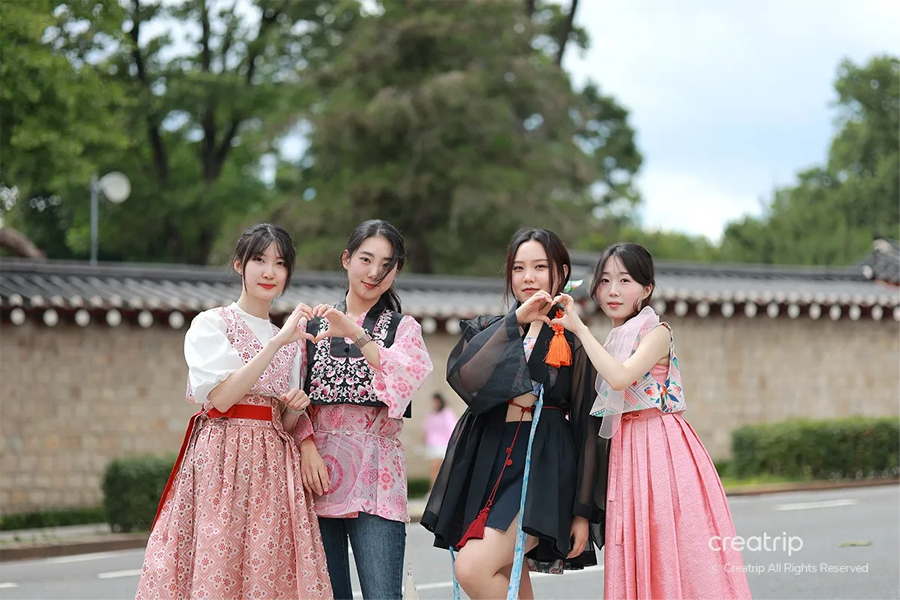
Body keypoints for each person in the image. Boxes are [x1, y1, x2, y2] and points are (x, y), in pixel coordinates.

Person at [135, 223, 331, 600]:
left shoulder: (292, 343)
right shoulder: (212, 324)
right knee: (218, 560)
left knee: (267, 568)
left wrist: (292, 409)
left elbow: (283, 423)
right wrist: (276, 342)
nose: (270, 272)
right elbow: (223, 398)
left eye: (280, 263)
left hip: (273, 467)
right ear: (239, 264)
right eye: (259, 260)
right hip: (221, 460)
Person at [550, 242, 753, 600]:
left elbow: (619, 377)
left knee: (670, 545)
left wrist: (580, 329)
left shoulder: (657, 332)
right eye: (605, 280)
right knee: (637, 542)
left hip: (660, 446)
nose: (613, 290)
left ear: (646, 289)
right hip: (627, 448)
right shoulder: (614, 339)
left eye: (625, 280)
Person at [421, 227, 608, 600]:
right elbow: (464, 376)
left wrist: (582, 514)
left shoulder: (572, 338)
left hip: (542, 465)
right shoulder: (491, 329)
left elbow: (589, 427)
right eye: (519, 268)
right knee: (508, 575)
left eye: (540, 266)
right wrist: (517, 321)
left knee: (472, 568)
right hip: (490, 459)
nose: (528, 277)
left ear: (562, 272)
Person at [296, 219, 434, 600]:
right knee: (328, 594)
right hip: (318, 476)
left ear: (397, 271)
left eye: (387, 264)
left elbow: (402, 382)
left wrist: (354, 332)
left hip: (378, 478)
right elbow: (292, 398)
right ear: (346, 259)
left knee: (383, 595)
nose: (374, 273)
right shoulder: (310, 326)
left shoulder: (403, 329)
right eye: (365, 259)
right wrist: (307, 448)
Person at [422, 393, 458, 489]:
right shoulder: (432, 415)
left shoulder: (447, 413)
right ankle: (433, 489)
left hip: (444, 444)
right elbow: (427, 428)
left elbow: (452, 428)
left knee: (443, 468)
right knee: (434, 468)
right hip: (433, 444)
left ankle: (442, 489)